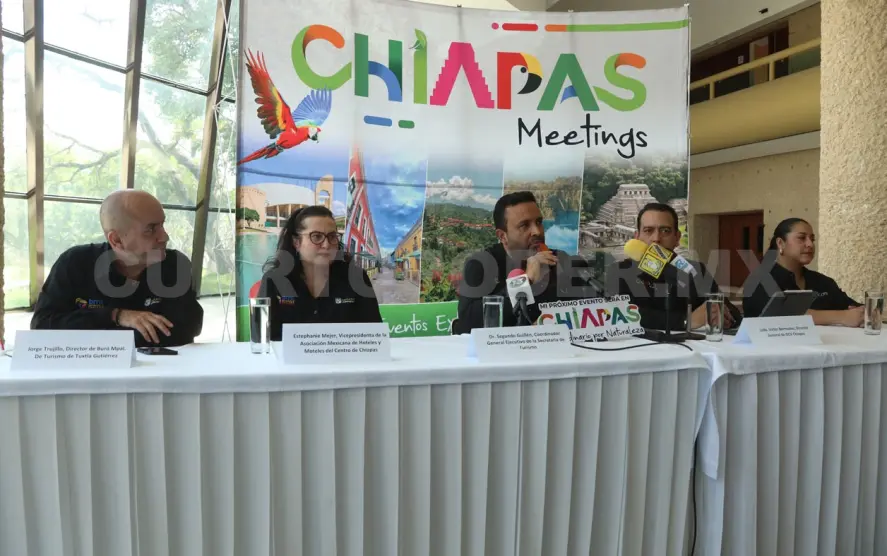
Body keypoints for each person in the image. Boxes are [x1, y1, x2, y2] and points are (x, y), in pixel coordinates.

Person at [31, 190, 204, 347]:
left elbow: (186, 329)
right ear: (117, 240)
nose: (164, 236)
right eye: (151, 229)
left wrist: (92, 330)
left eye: (162, 225)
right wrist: (116, 316)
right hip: (89, 368)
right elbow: (42, 327)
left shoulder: (174, 265)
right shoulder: (76, 263)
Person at [456, 191, 600, 332]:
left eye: (538, 222)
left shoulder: (561, 259)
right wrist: (525, 282)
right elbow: (467, 324)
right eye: (524, 225)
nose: (537, 231)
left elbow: (591, 313)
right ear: (503, 236)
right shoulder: (481, 264)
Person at [610, 202, 741, 331]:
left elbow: (731, 312)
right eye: (648, 231)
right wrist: (687, 321)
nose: (656, 239)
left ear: (677, 238)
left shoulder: (695, 270)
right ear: (637, 237)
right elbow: (618, 314)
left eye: (665, 231)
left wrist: (725, 318)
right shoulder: (619, 271)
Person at [257, 205, 382, 341]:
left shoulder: (357, 278)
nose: (326, 245)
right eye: (316, 236)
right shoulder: (274, 280)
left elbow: (374, 336)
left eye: (332, 236)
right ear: (296, 242)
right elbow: (262, 337)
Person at [743, 217, 863, 326]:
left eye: (812, 239)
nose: (810, 244)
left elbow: (853, 308)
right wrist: (842, 317)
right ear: (780, 243)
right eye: (801, 238)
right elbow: (782, 315)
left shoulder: (822, 281)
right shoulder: (759, 281)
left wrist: (865, 312)